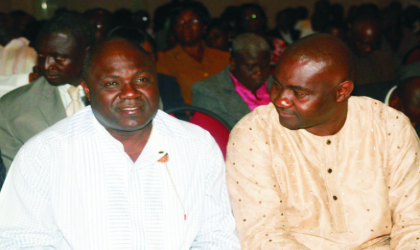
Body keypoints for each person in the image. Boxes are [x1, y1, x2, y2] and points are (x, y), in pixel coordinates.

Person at [0, 37, 241, 249]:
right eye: (112, 83)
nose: (130, 93)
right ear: (87, 89)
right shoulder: (46, 152)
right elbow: (21, 240)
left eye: (142, 79)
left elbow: (216, 235)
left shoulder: (195, 145)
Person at [226, 34, 420, 249]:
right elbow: (262, 234)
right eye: (277, 85)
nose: (281, 99)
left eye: (299, 93)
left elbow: (413, 223)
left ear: (342, 92)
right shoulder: (254, 133)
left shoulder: (390, 127)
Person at [0, 12, 94, 170]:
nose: (46, 66)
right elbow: (14, 180)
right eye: (41, 55)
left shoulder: (117, 96)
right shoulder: (11, 109)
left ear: (87, 53)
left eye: (59, 57)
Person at [156, 2, 230, 105]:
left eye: (193, 21)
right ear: (173, 29)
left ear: (204, 27)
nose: (186, 26)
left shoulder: (225, 58)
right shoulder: (163, 60)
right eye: (180, 22)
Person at [193, 33, 272, 128]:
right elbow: (215, 134)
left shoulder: (279, 83)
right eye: (251, 67)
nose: (259, 72)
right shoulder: (207, 91)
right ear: (233, 63)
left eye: (264, 66)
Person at [108, 26, 185, 111]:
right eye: (135, 56)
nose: (142, 62)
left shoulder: (167, 83)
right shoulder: (109, 87)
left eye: (147, 55)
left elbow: (179, 117)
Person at [348, 15, 396, 85]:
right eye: (363, 43)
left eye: (372, 44)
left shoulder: (384, 60)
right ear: (350, 35)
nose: (368, 49)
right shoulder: (340, 60)